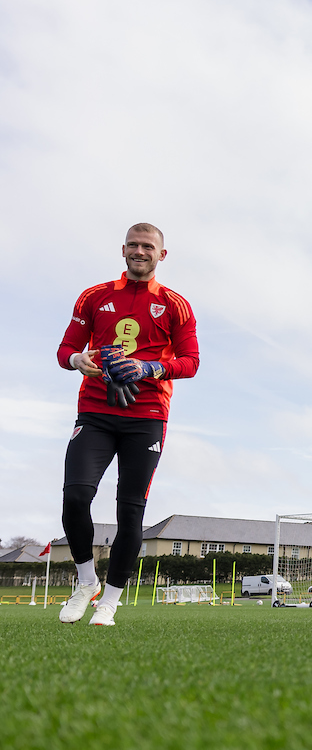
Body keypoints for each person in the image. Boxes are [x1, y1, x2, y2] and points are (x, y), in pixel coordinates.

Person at [56, 224, 199, 627]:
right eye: (134, 245)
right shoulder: (94, 296)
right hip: (96, 411)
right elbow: (66, 347)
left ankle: (111, 601)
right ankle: (87, 582)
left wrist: (147, 367)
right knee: (75, 495)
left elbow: (190, 362)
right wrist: (76, 360)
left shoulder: (176, 305)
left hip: (147, 415)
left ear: (162, 255)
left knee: (130, 512)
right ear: (123, 250)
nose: (140, 251)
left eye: (148, 246)